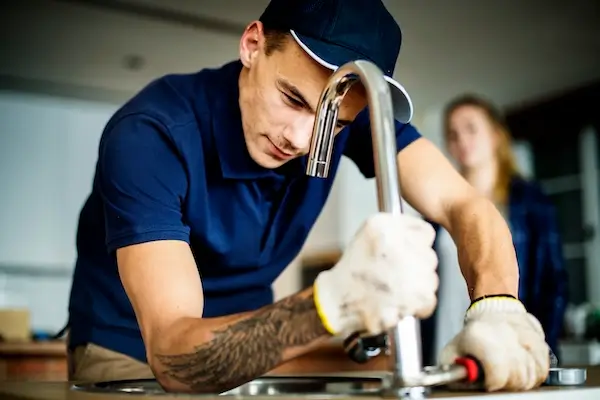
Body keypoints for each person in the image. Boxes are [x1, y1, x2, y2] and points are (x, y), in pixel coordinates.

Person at [65, 0, 551, 393]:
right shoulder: (151, 135)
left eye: (332, 123)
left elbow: (463, 205)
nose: (300, 138)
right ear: (253, 45)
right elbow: (173, 352)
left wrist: (497, 307)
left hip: (251, 345)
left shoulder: (344, 114)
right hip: (129, 350)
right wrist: (332, 305)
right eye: (292, 99)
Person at [420, 93, 568, 365]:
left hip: (508, 352)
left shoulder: (531, 202)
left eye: (471, 129)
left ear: (496, 135)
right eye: (452, 134)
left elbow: (553, 283)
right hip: (444, 350)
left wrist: (541, 349)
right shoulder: (437, 204)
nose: (461, 140)